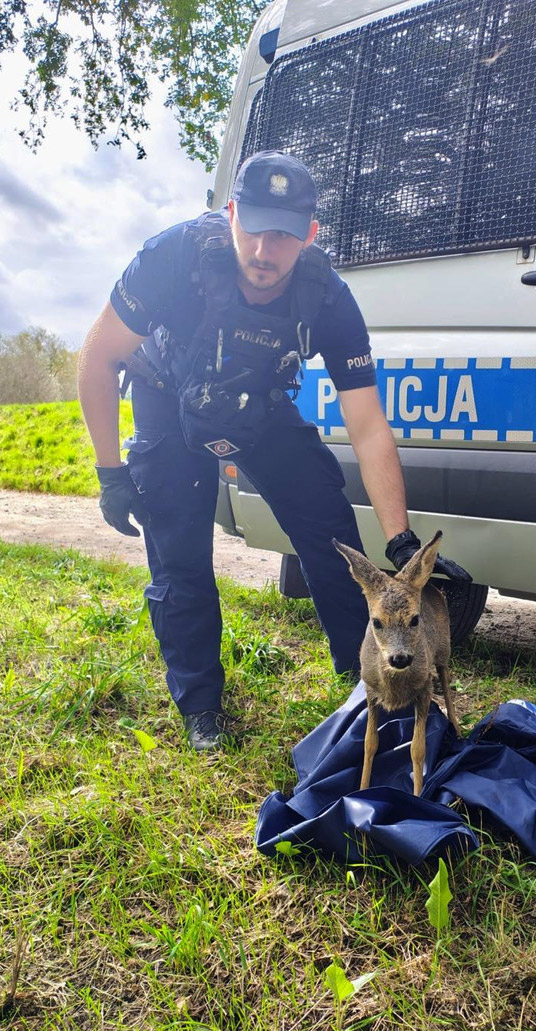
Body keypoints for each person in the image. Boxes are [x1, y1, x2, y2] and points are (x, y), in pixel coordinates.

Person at [78, 150, 470, 752]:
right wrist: (111, 472)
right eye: (254, 229)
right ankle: (202, 709)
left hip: (259, 402)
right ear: (230, 213)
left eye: (284, 236)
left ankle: (363, 687)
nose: (265, 251)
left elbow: (366, 423)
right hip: (166, 394)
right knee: (179, 555)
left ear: (309, 235)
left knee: (330, 532)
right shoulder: (171, 257)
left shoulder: (328, 298)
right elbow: (98, 357)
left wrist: (400, 540)